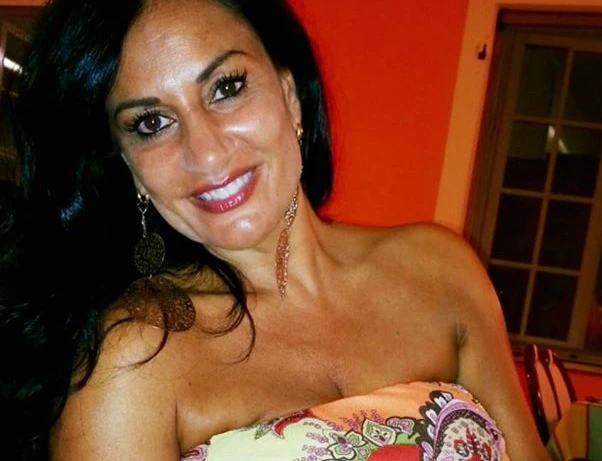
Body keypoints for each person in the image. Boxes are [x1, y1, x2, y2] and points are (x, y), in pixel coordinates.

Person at [0, 0, 550, 460]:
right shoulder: (132, 361)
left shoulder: (440, 268)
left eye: (226, 87)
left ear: (290, 96)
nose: (206, 152)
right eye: (152, 123)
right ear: (129, 166)